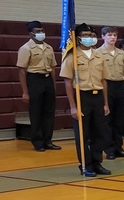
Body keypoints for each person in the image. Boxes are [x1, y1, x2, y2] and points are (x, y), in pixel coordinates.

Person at [60, 23, 111, 177]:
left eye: (90, 35)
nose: (88, 38)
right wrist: (73, 106)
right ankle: (86, 164)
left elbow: (104, 80)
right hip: (82, 96)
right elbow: (67, 82)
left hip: (98, 97)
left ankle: (97, 163)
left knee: (99, 133)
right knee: (83, 134)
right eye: (85, 36)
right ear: (78, 38)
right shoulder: (72, 57)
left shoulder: (99, 55)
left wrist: (106, 103)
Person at [16, 21, 60, 152]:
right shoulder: (26, 48)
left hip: (47, 80)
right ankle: (38, 141)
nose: (41, 33)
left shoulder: (49, 47)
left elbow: (52, 68)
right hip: (34, 80)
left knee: (49, 112)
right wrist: (25, 91)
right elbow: (22, 70)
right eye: (38, 31)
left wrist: (53, 85)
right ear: (31, 34)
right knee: (36, 112)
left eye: (42, 31)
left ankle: (48, 140)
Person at [99, 26, 124, 159]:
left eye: (114, 35)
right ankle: (109, 148)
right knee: (107, 119)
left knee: (119, 119)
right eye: (109, 35)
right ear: (103, 36)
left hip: (120, 86)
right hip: (107, 85)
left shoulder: (121, 54)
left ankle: (118, 147)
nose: (112, 37)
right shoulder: (98, 53)